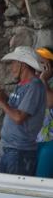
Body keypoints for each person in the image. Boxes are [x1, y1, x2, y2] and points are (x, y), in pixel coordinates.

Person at [0, 46, 46, 176]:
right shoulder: (22, 85)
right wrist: (4, 97)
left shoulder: (34, 86)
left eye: (13, 63)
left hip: (20, 152)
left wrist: (0, 100)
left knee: (12, 194)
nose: (11, 67)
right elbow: (15, 109)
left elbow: (19, 117)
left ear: (22, 65)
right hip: (12, 150)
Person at [36, 46, 53, 178]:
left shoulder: (44, 82)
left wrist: (43, 80)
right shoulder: (36, 82)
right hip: (35, 139)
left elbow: (50, 103)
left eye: (43, 62)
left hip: (50, 142)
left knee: (42, 179)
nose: (39, 65)